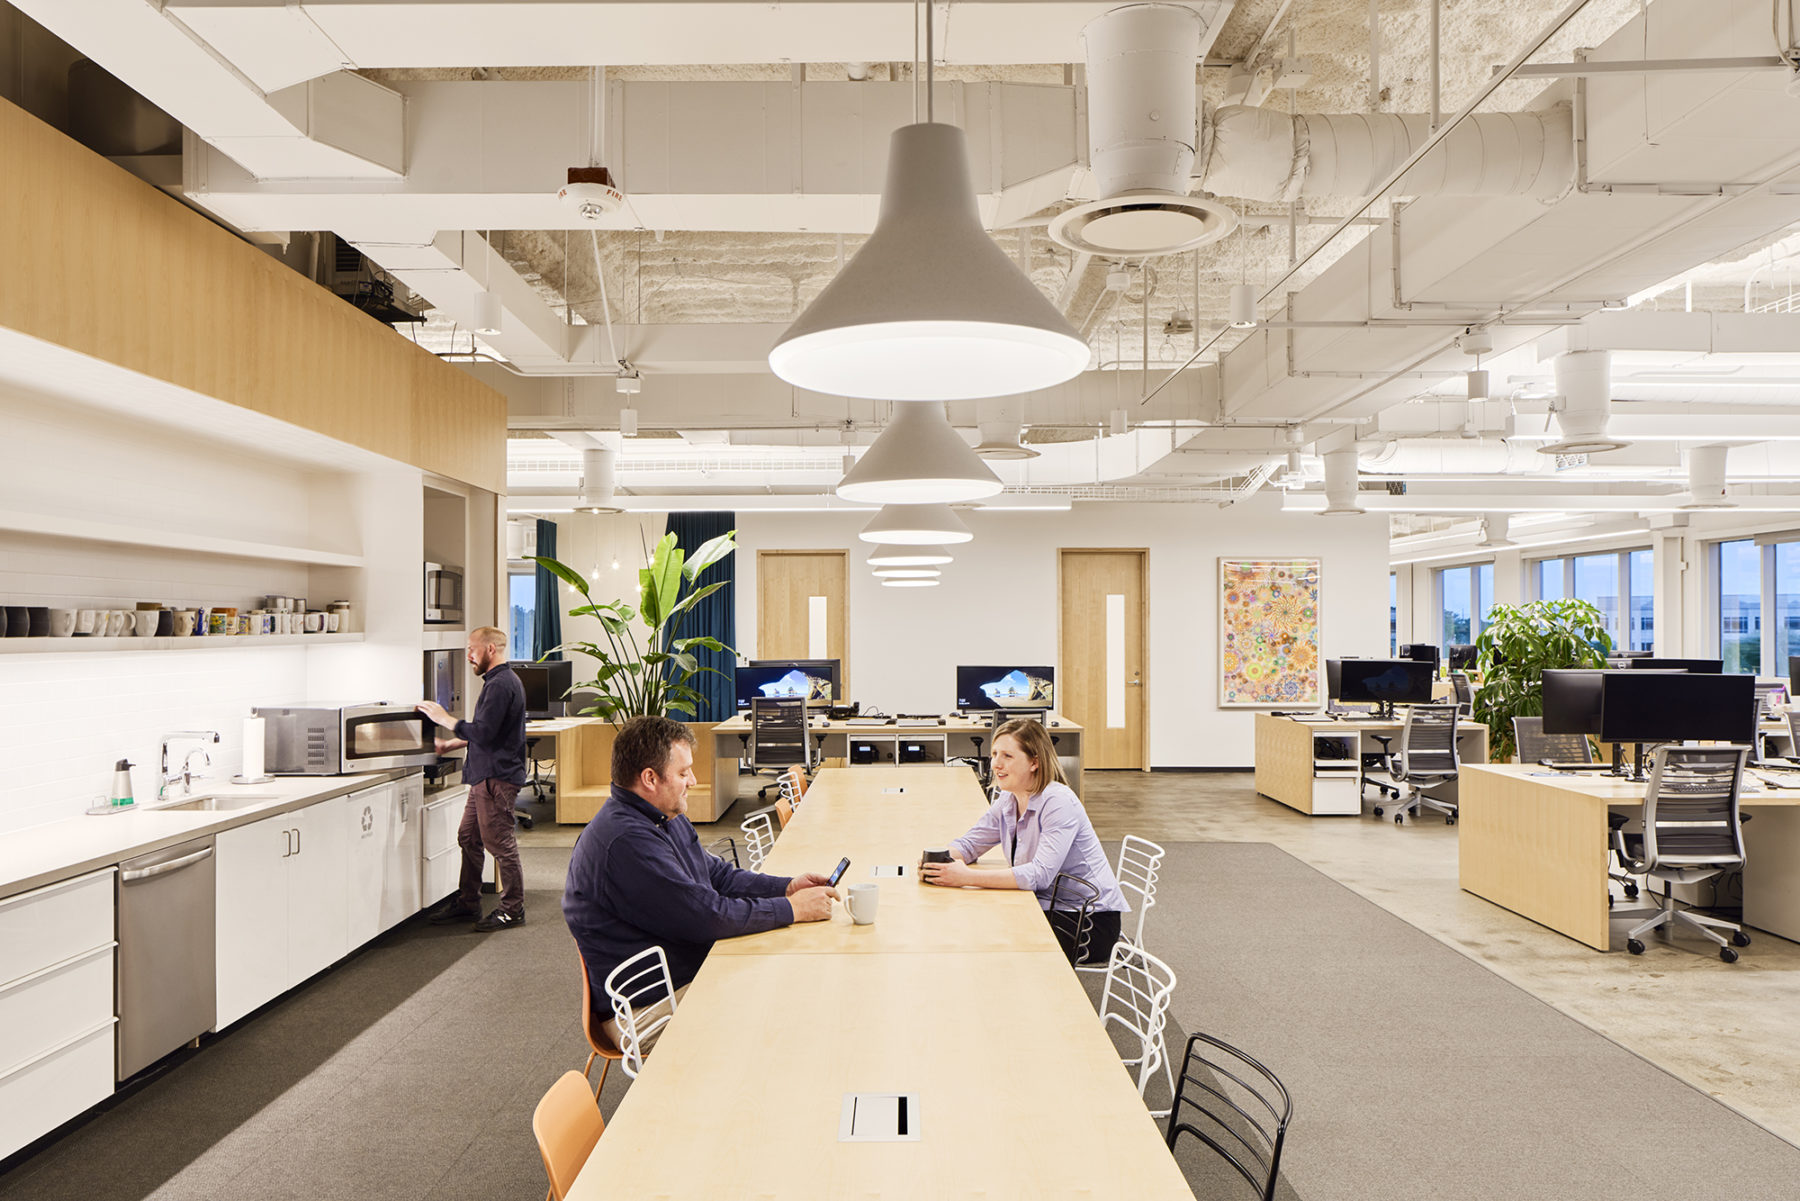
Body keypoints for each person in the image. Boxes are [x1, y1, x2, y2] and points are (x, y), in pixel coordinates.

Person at [564, 715, 839, 1049]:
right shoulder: (624, 842)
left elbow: (716, 875)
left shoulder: (660, 816)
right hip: (646, 1008)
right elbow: (706, 916)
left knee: (782, 975)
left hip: (684, 969)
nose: (693, 780)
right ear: (650, 778)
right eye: (683, 773)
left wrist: (786, 887)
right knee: (775, 998)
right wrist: (791, 910)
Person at [922, 717, 1128, 965]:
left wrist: (965, 877)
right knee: (981, 920)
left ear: (1034, 762)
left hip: (1088, 922)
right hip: (1043, 903)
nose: (996, 763)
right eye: (995, 753)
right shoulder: (1009, 799)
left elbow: (1039, 874)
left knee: (990, 930)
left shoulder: (1058, 802)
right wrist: (938, 861)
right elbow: (969, 845)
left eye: (1007, 756)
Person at [417, 627, 528, 932]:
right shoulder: (498, 682)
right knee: (469, 837)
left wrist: (445, 719)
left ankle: (512, 909)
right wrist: (451, 744)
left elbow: (483, 732)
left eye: (472, 649)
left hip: (496, 778)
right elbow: (491, 731)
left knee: (501, 844)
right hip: (483, 776)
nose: (468, 655)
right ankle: (469, 901)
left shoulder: (501, 685)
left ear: (490, 649)